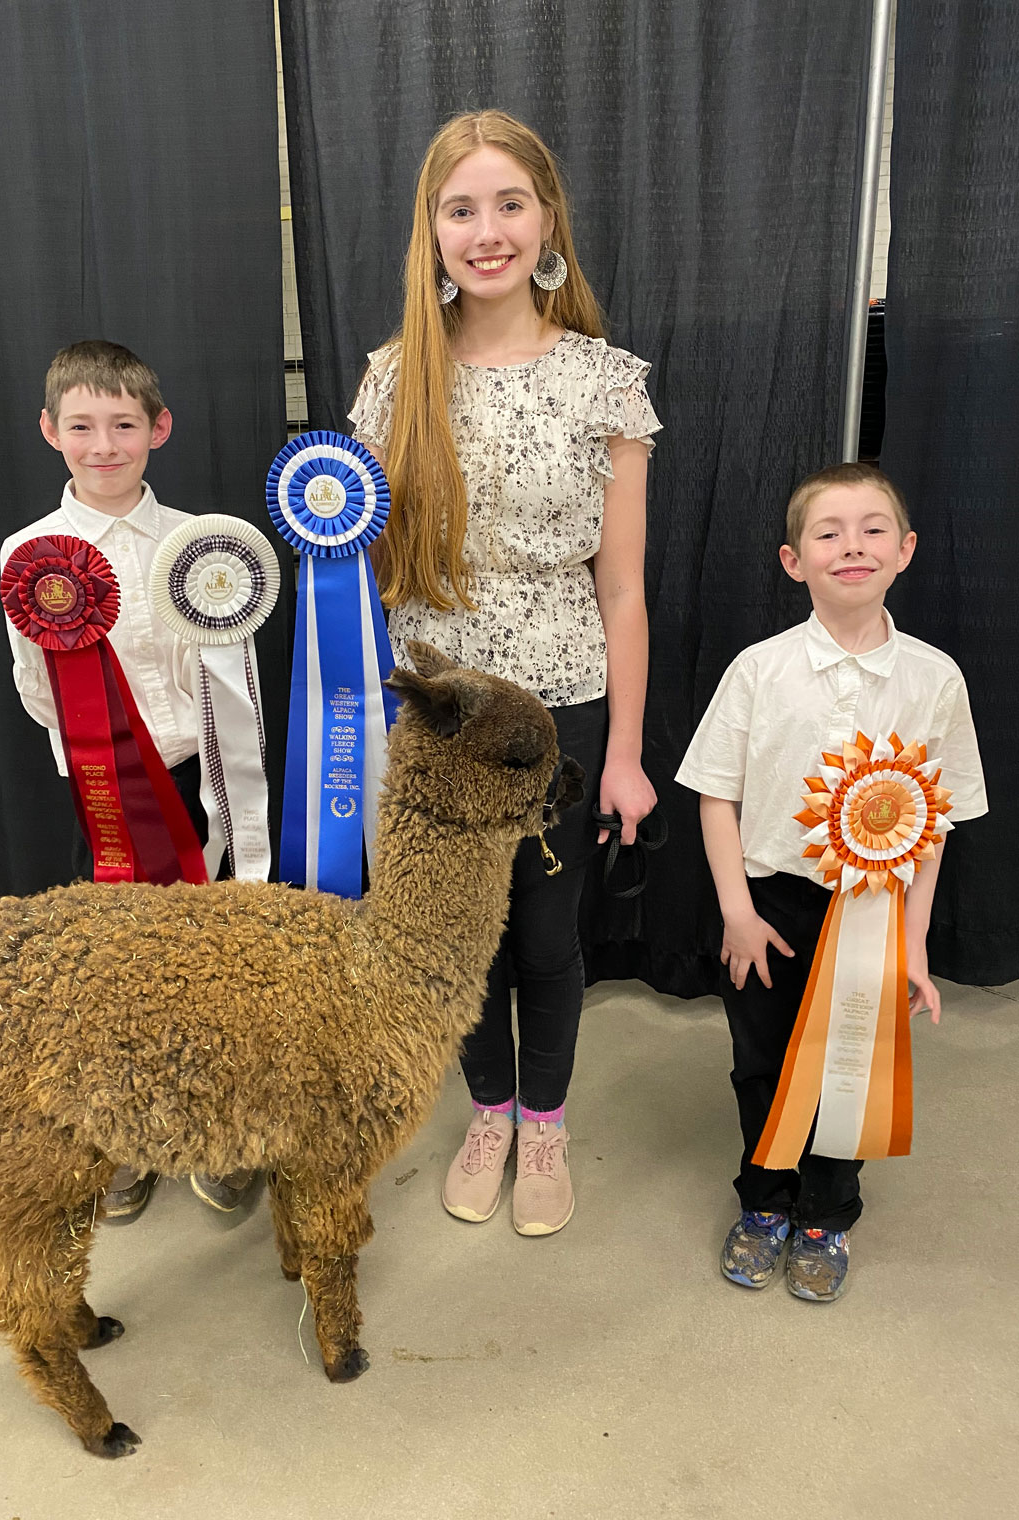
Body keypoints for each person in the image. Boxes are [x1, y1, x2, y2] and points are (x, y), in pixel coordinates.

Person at [349, 110, 661, 1236]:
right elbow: (368, 574)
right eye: (461, 208)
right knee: (454, 932)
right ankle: (486, 1107)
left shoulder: (606, 384)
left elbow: (620, 590)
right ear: (431, 231)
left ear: (546, 222)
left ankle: (545, 1122)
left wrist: (623, 754)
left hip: (558, 712)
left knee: (544, 936)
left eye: (508, 204)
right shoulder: (391, 384)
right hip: (434, 716)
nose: (487, 231)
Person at [676, 463, 987, 1301]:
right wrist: (737, 912)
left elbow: (937, 825)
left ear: (907, 549)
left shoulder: (936, 679)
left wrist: (914, 942)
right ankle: (765, 1201)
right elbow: (716, 793)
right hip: (770, 904)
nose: (853, 544)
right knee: (762, 1062)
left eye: (873, 527)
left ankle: (825, 1211)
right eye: (829, 532)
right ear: (792, 560)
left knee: (852, 1062)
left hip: (878, 916)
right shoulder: (758, 670)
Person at [0, 339, 254, 1219]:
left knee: (211, 959)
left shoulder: (200, 545)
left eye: (122, 424)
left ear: (159, 427)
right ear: (48, 431)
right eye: (81, 425)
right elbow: (37, 687)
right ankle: (130, 1134)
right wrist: (101, 749)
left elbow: (228, 674)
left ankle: (219, 1127)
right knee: (117, 971)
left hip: (202, 788)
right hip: (104, 797)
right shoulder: (30, 552)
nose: (102, 444)